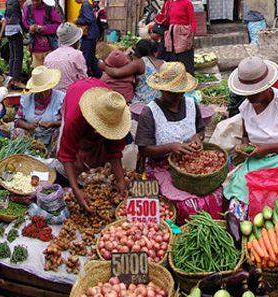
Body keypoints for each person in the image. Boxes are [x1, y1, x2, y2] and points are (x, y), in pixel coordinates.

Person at [136, 62, 222, 221]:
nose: (178, 96)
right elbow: (144, 149)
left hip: (192, 161)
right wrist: (170, 147)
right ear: (161, 89)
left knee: (216, 192)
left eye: (181, 92)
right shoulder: (150, 112)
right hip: (161, 166)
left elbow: (200, 129)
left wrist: (198, 137)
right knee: (188, 204)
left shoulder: (191, 104)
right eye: (172, 92)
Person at [222, 57, 278, 206]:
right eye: (247, 92)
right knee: (239, 190)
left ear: (267, 86)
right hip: (258, 160)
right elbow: (246, 136)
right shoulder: (246, 107)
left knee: (276, 196)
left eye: (255, 92)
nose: (250, 96)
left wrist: (268, 148)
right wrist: (244, 146)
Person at [59, 79, 131, 211]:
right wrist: (75, 189)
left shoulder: (113, 111)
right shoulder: (74, 118)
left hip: (98, 94)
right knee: (78, 160)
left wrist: (121, 180)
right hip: (76, 98)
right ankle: (79, 183)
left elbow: (114, 150)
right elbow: (67, 155)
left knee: (99, 157)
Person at [15, 66, 66, 153]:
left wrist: (52, 123)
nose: (43, 94)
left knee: (61, 132)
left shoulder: (60, 99)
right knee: (16, 132)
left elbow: (67, 122)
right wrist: (28, 126)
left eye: (45, 90)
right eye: (39, 91)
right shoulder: (26, 99)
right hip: (31, 139)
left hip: (51, 138)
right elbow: (17, 120)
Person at [43, 22, 88, 93]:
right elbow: (84, 80)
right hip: (71, 97)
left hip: (53, 97)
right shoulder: (77, 55)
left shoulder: (49, 57)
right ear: (75, 40)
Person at [159, 0, 197, 73]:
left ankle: (188, 80)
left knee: (184, 57)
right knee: (174, 59)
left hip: (183, 34)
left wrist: (191, 36)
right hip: (173, 34)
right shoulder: (173, 3)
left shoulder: (187, 3)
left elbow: (193, 20)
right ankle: (177, 80)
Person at [23, 0, 63, 68]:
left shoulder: (50, 9)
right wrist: (30, 27)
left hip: (50, 49)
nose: (35, 2)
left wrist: (45, 29)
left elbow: (58, 26)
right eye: (33, 0)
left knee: (50, 74)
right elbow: (24, 23)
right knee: (38, 74)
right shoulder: (28, 9)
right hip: (35, 49)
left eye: (37, 1)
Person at [75, 0, 107, 78]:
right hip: (92, 35)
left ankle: (85, 76)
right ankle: (99, 75)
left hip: (89, 35)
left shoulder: (85, 5)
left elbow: (89, 19)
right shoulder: (87, 4)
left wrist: (78, 20)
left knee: (85, 57)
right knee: (91, 57)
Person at [4, 0, 26, 88]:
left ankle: (11, 80)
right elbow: (19, 18)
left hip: (8, 29)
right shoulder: (15, 3)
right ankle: (16, 81)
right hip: (15, 29)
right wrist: (24, 29)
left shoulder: (7, 2)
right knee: (18, 56)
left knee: (12, 56)